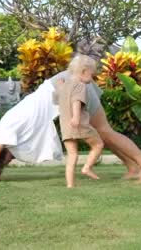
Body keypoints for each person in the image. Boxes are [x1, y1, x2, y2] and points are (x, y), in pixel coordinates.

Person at [0, 55, 141, 187]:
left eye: (3, 163)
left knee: (104, 132)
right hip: (61, 82)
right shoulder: (9, 137)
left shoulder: (4, 136)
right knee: (104, 131)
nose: (6, 163)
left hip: (65, 84)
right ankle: (132, 168)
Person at [54, 55, 104, 187]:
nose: (92, 79)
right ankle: (87, 168)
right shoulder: (80, 85)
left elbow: (58, 99)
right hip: (79, 123)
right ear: (84, 71)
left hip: (65, 125)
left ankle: (70, 185)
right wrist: (76, 117)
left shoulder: (64, 86)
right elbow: (76, 100)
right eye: (92, 75)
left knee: (72, 155)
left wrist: (60, 88)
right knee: (98, 145)